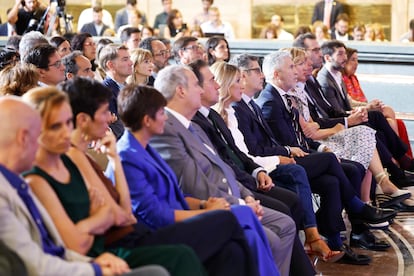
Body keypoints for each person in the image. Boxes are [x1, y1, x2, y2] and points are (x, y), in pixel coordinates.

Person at [60, 77, 262, 276]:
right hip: (142, 234)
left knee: (232, 251)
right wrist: (206, 212)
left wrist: (203, 206)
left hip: (145, 228)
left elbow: (129, 211)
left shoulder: (138, 150)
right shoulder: (118, 155)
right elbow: (135, 215)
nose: (109, 118)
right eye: (104, 112)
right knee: (228, 221)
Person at [231, 53, 396, 263]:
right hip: (275, 164)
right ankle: (357, 209)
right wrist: (289, 151)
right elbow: (259, 149)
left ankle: (337, 241)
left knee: (334, 180)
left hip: (291, 153)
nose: (261, 75)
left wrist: (313, 147)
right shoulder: (264, 102)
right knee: (333, 163)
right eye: (292, 66)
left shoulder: (255, 104)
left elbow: (295, 137)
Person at [109, 84, 284, 276]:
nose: (166, 118)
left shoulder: (145, 148)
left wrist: (203, 205)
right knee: (232, 217)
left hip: (176, 221)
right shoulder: (127, 157)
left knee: (235, 248)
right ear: (147, 120)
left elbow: (176, 195)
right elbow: (156, 216)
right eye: (161, 113)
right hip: (158, 231)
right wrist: (208, 213)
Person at [189, 59, 342, 269]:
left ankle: (330, 238)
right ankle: (313, 246)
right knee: (290, 200)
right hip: (236, 184)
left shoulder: (221, 114)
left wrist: (258, 170)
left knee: (329, 181)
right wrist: (250, 185)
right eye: (237, 80)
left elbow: (237, 155)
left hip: (250, 173)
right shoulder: (211, 118)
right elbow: (231, 160)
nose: (241, 84)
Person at [150, 64, 298, 276]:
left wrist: (246, 196)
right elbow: (193, 185)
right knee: (271, 236)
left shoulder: (195, 126)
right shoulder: (166, 129)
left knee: (285, 225)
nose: (201, 90)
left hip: (231, 199)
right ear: (180, 91)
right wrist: (239, 203)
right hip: (206, 208)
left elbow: (222, 168)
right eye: (196, 85)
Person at [0, 95, 171, 276]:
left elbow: (57, 250)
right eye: (38, 134)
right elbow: (37, 265)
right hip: (91, 257)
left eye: (68, 123)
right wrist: (95, 267)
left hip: (87, 258)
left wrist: (91, 261)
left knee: (163, 265)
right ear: (24, 138)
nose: (67, 133)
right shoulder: (23, 185)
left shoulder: (16, 184)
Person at [99, 44, 133, 139]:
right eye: (125, 59)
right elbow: (116, 128)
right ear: (110, 65)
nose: (131, 62)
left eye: (129, 58)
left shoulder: (129, 88)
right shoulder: (104, 92)